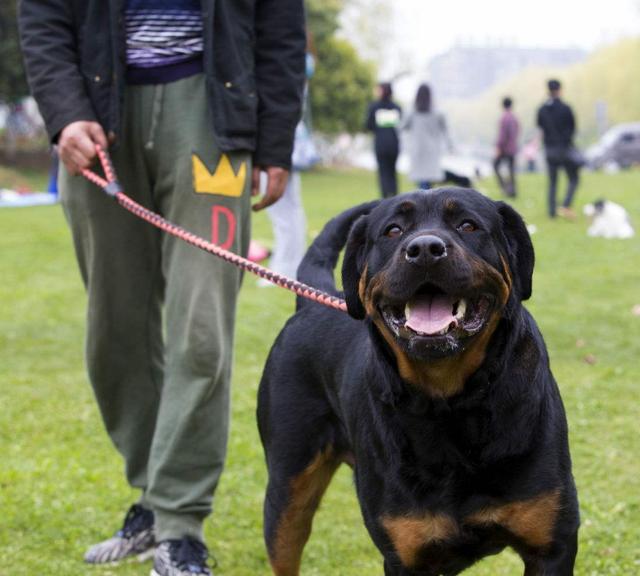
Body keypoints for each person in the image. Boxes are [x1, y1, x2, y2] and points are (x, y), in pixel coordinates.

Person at [19, 2, 305, 575]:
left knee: (201, 332)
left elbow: (280, 28)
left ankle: (179, 523)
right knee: (114, 333)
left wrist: (274, 139)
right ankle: (152, 504)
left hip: (211, 114)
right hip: (100, 114)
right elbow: (43, 15)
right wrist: (65, 113)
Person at [537, 79, 581, 219]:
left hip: (550, 150)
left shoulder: (542, 109)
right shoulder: (566, 108)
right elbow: (572, 128)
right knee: (574, 178)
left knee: (553, 182)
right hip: (565, 149)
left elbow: (540, 126)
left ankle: (552, 212)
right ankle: (566, 204)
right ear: (560, 90)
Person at [401, 83, 451, 190]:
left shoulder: (412, 113)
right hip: (432, 151)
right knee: (427, 180)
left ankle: (424, 200)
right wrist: (451, 147)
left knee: (422, 180)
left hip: (418, 151)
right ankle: (427, 199)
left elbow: (402, 127)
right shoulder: (438, 114)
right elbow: (447, 132)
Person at [366, 82, 402, 198]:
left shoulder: (374, 107)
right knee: (392, 171)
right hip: (394, 144)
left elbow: (368, 125)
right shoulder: (396, 108)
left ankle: (385, 197)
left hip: (381, 144)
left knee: (383, 172)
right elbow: (401, 125)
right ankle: (395, 196)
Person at [493, 97, 520, 198]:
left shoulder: (504, 118)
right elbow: (518, 130)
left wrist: (499, 147)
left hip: (504, 148)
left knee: (495, 166)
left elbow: (502, 135)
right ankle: (512, 191)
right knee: (511, 169)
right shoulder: (514, 117)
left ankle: (505, 188)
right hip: (513, 147)